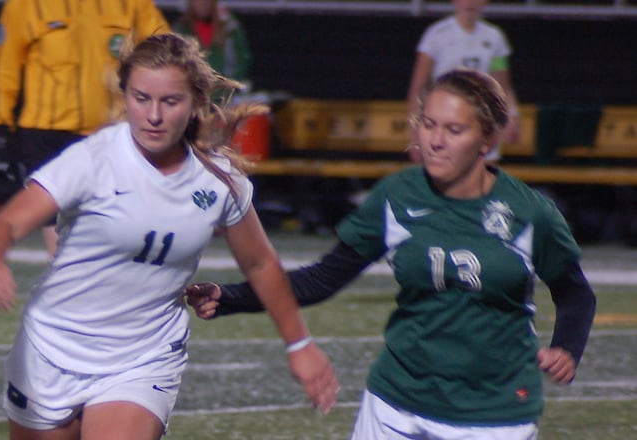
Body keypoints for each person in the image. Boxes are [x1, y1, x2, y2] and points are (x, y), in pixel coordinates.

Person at [187, 68, 597, 439]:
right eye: (429, 125)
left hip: (495, 411)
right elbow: (323, 277)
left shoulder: (529, 213)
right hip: (397, 402)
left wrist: (566, 347)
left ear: (488, 139)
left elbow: (575, 292)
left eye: (454, 130)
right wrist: (233, 297)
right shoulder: (397, 197)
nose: (435, 141)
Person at [0, 33, 338, 440]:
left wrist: (299, 344)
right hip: (51, 349)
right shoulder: (94, 159)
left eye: (170, 101)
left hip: (143, 357)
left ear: (195, 103)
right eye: (141, 98)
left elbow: (259, 262)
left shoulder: (218, 181)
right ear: (124, 94)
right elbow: (4, 225)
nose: (153, 116)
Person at [0, 0, 170, 256]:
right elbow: (3, 70)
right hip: (47, 137)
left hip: (110, 135)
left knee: (115, 240)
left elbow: (167, 54)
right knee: (62, 247)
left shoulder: (131, 4)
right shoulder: (27, 5)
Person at [406, 0, 520, 162]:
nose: (470, 2)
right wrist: (415, 133)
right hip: (444, 122)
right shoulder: (436, 35)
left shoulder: (495, 38)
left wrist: (512, 117)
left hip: (480, 122)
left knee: (482, 181)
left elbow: (503, 87)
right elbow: (418, 88)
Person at [171, 0, 252, 87]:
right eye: (198, 1)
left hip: (226, 89)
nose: (202, 4)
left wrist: (229, 84)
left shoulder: (229, 28)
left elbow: (241, 61)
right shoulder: (181, 30)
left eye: (207, 1)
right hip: (194, 89)